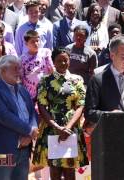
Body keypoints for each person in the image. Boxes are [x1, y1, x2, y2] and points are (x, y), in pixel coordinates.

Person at [33, 48, 89, 180]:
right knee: (55, 168)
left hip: (72, 128)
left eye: (66, 60)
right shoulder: (45, 81)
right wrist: (57, 127)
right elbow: (41, 106)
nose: (63, 63)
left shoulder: (77, 80)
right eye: (59, 60)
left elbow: (81, 105)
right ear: (53, 62)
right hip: (51, 128)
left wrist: (68, 127)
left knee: (70, 169)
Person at [0, 55, 39, 180]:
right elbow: (4, 116)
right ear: (3, 71)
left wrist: (32, 131)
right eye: (15, 68)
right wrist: (29, 131)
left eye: (19, 68)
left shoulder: (22, 90)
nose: (19, 72)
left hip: (24, 148)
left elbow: (32, 113)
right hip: (4, 149)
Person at [85, 35, 124, 125]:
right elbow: (89, 113)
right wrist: (108, 115)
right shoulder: (98, 80)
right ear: (112, 56)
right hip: (109, 133)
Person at [21, 30, 54, 100]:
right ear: (26, 43)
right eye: (32, 42)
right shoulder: (22, 59)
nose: (36, 43)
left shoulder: (46, 52)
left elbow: (51, 69)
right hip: (29, 92)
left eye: (37, 41)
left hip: (45, 89)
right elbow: (21, 77)